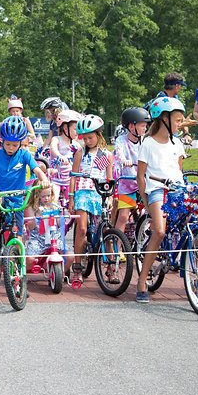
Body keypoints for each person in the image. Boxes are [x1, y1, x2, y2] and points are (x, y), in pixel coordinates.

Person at [135, 96, 188, 304]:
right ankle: (141, 280)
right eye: (177, 120)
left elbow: (179, 170)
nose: (180, 124)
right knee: (159, 230)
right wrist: (146, 202)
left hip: (177, 189)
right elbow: (141, 176)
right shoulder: (148, 143)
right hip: (157, 189)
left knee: (192, 225)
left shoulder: (177, 143)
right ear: (164, 118)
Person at [0, 116, 52, 241]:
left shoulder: (24, 154)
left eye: (15, 145)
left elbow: (37, 169)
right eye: (8, 144)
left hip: (18, 195)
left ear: (21, 143)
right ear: (2, 141)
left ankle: (17, 255)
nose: (11, 148)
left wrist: (44, 179)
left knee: (19, 236)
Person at [69, 114, 113, 289]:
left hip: (99, 192)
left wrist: (109, 197)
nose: (87, 141)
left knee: (106, 229)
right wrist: (71, 197)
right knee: (82, 227)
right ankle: (78, 267)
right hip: (82, 192)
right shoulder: (80, 153)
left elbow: (108, 178)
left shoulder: (105, 155)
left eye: (90, 137)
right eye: (84, 138)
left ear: (98, 135)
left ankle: (111, 265)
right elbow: (73, 176)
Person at [113, 107, 149, 233]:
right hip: (127, 184)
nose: (145, 129)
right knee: (123, 216)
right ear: (132, 126)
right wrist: (124, 160)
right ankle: (118, 247)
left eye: (146, 126)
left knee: (152, 214)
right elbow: (119, 153)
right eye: (143, 126)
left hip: (144, 183)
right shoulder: (121, 140)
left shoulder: (145, 140)